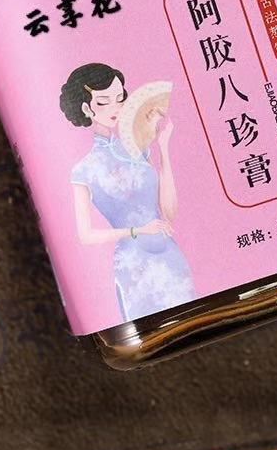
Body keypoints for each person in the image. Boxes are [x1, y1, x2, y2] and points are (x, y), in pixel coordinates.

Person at [59, 63, 195, 322]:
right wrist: (137, 231)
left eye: (120, 98)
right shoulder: (83, 170)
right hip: (134, 266)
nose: (115, 107)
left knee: (191, 320)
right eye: (103, 102)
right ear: (86, 108)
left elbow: (169, 213)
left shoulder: (137, 149)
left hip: (170, 256)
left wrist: (163, 148)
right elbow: (86, 235)